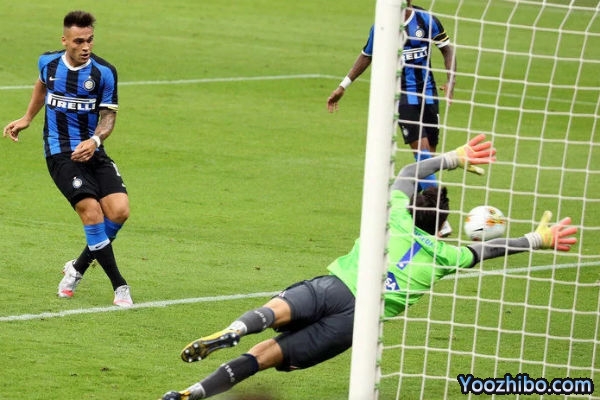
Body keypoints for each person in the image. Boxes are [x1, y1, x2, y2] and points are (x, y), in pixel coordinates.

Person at [159, 135, 577, 400]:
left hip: (336, 287)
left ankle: (234, 329)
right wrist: (537, 239)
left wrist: (454, 157)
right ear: (443, 227)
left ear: (411, 209)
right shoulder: (447, 256)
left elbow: (410, 171)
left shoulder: (393, 216)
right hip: (354, 323)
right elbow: (490, 250)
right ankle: (193, 393)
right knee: (263, 356)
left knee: (273, 312)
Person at [3, 11, 133, 307]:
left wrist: (95, 140)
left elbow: (108, 117)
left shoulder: (104, 72)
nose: (85, 46)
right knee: (92, 213)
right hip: (59, 151)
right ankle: (120, 286)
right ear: (65, 40)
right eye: (78, 41)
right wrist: (27, 117)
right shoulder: (48, 62)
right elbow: (42, 85)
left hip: (92, 149)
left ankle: (77, 266)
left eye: (89, 40)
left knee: (119, 211)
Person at [327, 1, 456, 236]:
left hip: (428, 96)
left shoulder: (426, 20)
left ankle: (420, 219)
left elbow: (447, 48)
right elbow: (366, 55)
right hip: (403, 98)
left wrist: (451, 79)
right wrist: (343, 86)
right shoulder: (383, 26)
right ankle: (440, 218)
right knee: (422, 154)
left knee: (426, 162)